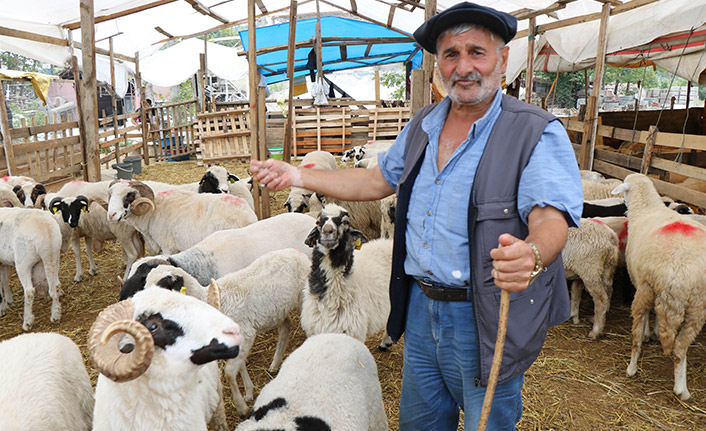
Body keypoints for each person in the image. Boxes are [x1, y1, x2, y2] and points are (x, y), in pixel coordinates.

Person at [251, 2, 582, 430]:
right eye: (451, 54)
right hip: (421, 309)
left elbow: (551, 218)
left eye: (476, 52)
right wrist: (298, 173)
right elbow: (375, 182)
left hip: (482, 314)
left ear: (502, 59)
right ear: (439, 65)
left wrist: (532, 254)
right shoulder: (424, 123)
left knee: (490, 422)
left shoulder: (534, 131)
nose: (464, 66)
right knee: (421, 423)